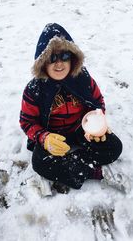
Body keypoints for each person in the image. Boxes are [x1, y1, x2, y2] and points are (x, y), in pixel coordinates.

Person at [19, 23, 122, 193]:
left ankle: (70, 165)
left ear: (72, 57)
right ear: (43, 62)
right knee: (40, 163)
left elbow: (97, 102)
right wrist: (44, 138)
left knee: (114, 147)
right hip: (53, 136)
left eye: (64, 56)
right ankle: (94, 171)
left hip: (80, 130)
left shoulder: (83, 79)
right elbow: (27, 121)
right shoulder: (34, 89)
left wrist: (96, 124)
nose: (59, 64)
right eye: (52, 58)